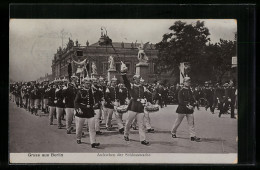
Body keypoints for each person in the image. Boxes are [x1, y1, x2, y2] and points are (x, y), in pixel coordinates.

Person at [121, 67, 150, 145]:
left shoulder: (142, 87)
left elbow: (146, 96)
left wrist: (146, 100)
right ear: (134, 80)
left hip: (140, 107)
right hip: (133, 107)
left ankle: (143, 139)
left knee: (141, 124)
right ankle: (126, 134)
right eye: (137, 79)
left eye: (139, 78)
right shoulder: (131, 86)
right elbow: (126, 82)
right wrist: (123, 74)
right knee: (128, 123)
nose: (139, 80)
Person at [171, 77, 200, 142]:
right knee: (178, 122)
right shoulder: (181, 91)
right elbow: (180, 101)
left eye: (189, 82)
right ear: (184, 83)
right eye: (187, 82)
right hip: (182, 109)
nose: (188, 83)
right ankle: (173, 132)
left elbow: (192, 99)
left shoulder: (190, 90)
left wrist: (193, 104)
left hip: (189, 109)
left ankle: (192, 136)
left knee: (191, 123)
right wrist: (188, 105)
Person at [74, 76, 100, 148]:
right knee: (79, 127)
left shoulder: (92, 91)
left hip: (90, 112)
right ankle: (78, 138)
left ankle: (93, 142)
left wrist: (95, 104)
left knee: (92, 128)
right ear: (83, 84)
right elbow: (76, 102)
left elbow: (95, 99)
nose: (88, 85)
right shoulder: (80, 91)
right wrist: (78, 109)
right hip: (81, 112)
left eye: (89, 83)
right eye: (87, 83)